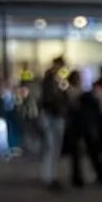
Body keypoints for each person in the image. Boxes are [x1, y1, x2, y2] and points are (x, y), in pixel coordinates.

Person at [37, 57, 70, 193]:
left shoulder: (56, 79)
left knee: (53, 147)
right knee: (51, 147)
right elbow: (49, 98)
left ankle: (50, 175)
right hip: (51, 114)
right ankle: (48, 176)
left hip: (55, 114)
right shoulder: (50, 79)